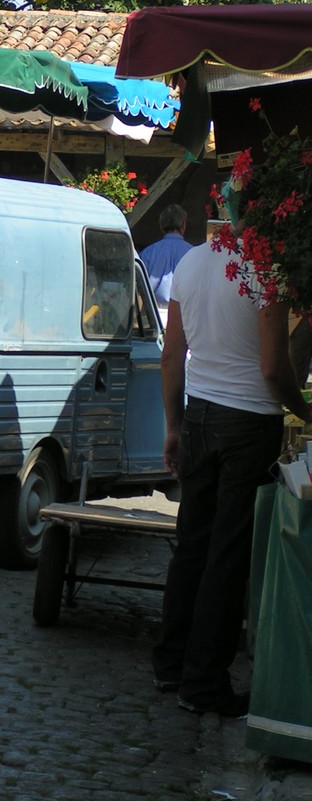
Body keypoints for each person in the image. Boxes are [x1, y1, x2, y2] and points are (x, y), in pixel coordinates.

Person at [152, 182, 312, 718]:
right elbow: (272, 368)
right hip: (248, 424)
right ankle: (203, 684)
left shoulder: (194, 263)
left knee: (192, 546)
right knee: (226, 555)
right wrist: (307, 411)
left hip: (199, 414)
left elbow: (171, 357)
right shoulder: (266, 270)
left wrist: (174, 426)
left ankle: (171, 665)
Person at [140, 204, 193, 316]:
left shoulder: (148, 252)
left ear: (161, 225)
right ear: (183, 224)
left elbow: (139, 288)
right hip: (184, 313)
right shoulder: (193, 253)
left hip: (154, 315)